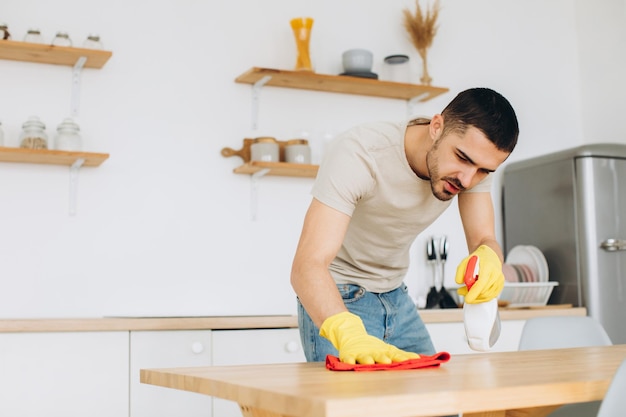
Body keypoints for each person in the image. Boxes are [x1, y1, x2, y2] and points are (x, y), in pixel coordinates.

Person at [290, 87, 519, 365]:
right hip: (338, 300)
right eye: (462, 158)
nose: (469, 180)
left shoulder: (472, 168)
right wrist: (347, 331)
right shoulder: (360, 154)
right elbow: (307, 266)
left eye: (484, 170)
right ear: (437, 126)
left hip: (396, 296)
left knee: (434, 403)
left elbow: (484, 237)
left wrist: (490, 257)